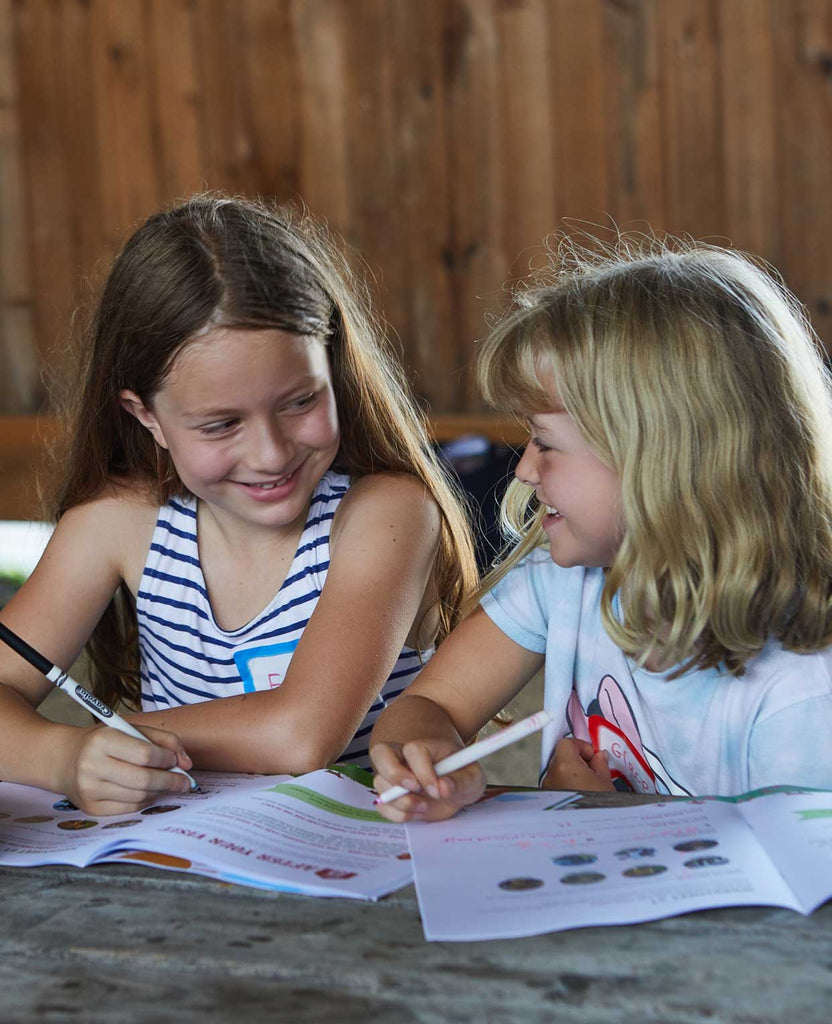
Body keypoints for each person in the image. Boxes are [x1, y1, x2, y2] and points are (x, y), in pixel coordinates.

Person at [0, 194, 477, 816]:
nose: (271, 453)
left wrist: (127, 740)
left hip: (363, 864)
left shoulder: (386, 512)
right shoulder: (114, 525)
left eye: (300, 402)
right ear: (147, 417)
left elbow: (302, 734)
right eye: (222, 425)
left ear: (331, 366)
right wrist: (64, 758)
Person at [370, 236, 832, 819]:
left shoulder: (803, 689)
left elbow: (803, 894)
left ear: (663, 463)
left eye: (545, 443)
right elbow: (430, 702)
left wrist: (597, 819)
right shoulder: (565, 576)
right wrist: (427, 757)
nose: (524, 468)